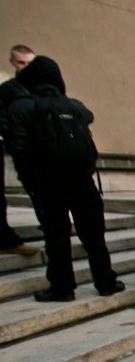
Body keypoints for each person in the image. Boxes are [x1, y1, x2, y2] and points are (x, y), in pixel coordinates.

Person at [6, 55, 124, 301]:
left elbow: (20, 151)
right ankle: (106, 281)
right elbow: (88, 143)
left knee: (56, 235)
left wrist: (31, 185)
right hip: (82, 179)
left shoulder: (22, 107)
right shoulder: (75, 107)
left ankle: (62, 287)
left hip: (48, 180)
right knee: (94, 234)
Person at [0, 44, 39, 255]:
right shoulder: (7, 91)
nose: (25, 67)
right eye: (21, 63)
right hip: (24, 151)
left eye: (29, 63)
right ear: (13, 62)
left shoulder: (44, 87)